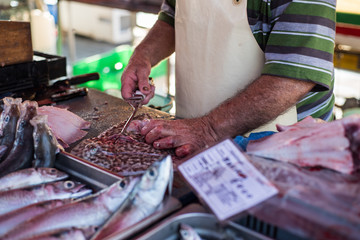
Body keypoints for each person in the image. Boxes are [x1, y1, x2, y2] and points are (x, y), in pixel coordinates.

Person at [121, 0, 336, 158]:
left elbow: (293, 77)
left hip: (279, 151)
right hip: (192, 137)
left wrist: (208, 130)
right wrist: (143, 56)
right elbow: (173, 16)